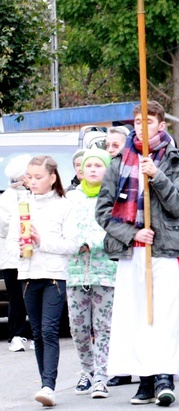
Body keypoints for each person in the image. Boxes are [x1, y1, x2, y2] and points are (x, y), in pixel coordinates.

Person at [95, 101, 179, 406]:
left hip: (166, 250)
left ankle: (164, 376)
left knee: (163, 315)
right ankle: (145, 379)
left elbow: (178, 206)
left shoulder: (177, 162)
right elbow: (103, 212)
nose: (141, 126)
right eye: (137, 122)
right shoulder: (117, 164)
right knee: (136, 316)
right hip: (132, 251)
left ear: (161, 126)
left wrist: (157, 177)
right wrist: (133, 232)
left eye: (148, 121)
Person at [6, 155, 78, 407]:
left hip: (54, 276)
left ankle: (49, 385)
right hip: (27, 275)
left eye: (38, 177)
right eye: (30, 176)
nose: (33, 181)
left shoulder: (64, 205)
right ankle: (44, 382)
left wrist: (40, 242)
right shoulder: (23, 205)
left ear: (52, 178)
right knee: (36, 332)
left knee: (49, 330)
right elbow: (11, 243)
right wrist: (21, 246)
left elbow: (72, 244)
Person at [66, 148, 118, 399]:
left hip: (106, 271)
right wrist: (75, 243)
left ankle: (101, 375)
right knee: (78, 326)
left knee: (104, 326)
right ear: (81, 170)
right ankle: (86, 370)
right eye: (89, 166)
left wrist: (95, 243)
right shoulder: (71, 198)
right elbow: (65, 227)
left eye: (99, 165)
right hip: (76, 272)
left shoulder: (114, 197)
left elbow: (116, 228)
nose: (93, 169)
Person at [0, 155, 33, 353]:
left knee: (33, 296)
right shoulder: (7, 198)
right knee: (16, 297)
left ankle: (32, 334)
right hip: (12, 258)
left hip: (34, 255)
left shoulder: (34, 194)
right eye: (28, 174)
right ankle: (16, 335)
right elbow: (4, 227)